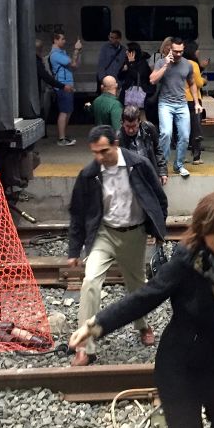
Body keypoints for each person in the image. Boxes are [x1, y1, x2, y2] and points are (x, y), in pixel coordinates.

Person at [69, 192, 214, 428]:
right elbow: (146, 296)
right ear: (201, 230)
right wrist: (97, 324)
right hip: (181, 367)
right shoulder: (188, 261)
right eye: (211, 231)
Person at [67, 125, 168, 365]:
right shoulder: (89, 173)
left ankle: (142, 325)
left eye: (104, 151)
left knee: (136, 286)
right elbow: (78, 213)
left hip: (134, 235)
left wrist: (157, 229)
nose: (100, 157)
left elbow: (159, 199)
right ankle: (86, 347)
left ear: (116, 143)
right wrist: (74, 250)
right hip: (105, 234)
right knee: (90, 281)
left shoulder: (139, 165)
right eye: (95, 152)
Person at [149, 37, 202, 178]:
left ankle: (178, 165)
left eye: (181, 51)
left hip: (182, 104)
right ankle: (163, 165)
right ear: (169, 49)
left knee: (184, 136)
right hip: (165, 103)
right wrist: (166, 65)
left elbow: (192, 83)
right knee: (166, 133)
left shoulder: (188, 64)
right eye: (176, 51)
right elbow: (152, 80)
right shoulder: (161, 62)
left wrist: (196, 102)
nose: (178, 54)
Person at [118, 106, 168, 185]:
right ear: (122, 123)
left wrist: (162, 171)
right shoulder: (118, 138)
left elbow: (157, 149)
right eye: (128, 126)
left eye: (134, 126)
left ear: (139, 122)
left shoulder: (149, 128)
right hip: (131, 178)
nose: (131, 130)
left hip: (150, 173)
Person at [49, 31, 82, 146]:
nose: (64, 41)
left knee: (68, 111)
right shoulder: (56, 55)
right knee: (64, 111)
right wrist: (76, 50)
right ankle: (61, 138)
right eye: (62, 39)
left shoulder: (61, 53)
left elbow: (74, 65)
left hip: (67, 85)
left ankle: (63, 136)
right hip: (63, 86)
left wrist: (78, 52)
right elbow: (71, 63)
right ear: (55, 40)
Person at [35, 39, 72, 123]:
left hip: (42, 89)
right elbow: (46, 77)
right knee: (43, 110)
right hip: (42, 90)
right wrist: (62, 86)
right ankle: (43, 130)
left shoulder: (37, 60)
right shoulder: (38, 61)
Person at [184, 41, 206, 165]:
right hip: (193, 99)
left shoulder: (179, 63)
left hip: (181, 100)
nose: (198, 52)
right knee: (195, 128)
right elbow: (198, 83)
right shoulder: (193, 64)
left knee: (183, 129)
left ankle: (182, 155)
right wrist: (204, 80)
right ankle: (196, 157)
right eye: (197, 50)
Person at [121, 42, 153, 118]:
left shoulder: (143, 63)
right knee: (127, 116)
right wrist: (123, 70)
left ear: (133, 52)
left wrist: (131, 65)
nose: (126, 52)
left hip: (139, 93)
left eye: (127, 50)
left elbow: (137, 76)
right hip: (127, 93)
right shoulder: (127, 61)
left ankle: (144, 129)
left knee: (141, 115)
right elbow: (120, 76)